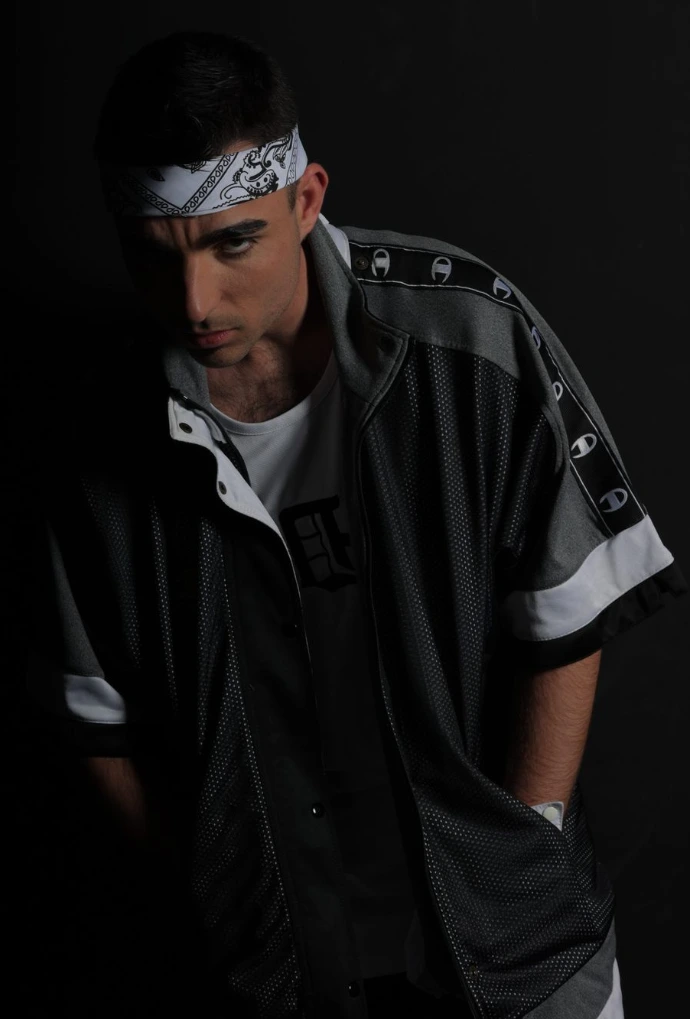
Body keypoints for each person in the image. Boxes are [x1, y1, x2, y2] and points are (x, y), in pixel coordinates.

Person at [15, 29, 686, 1019]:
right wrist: (211, 886)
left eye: (232, 242)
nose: (195, 299)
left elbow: (565, 604)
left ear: (306, 199)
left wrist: (528, 836)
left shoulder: (468, 335)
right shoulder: (94, 431)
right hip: (270, 968)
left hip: (517, 952)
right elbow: (93, 716)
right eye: (155, 255)